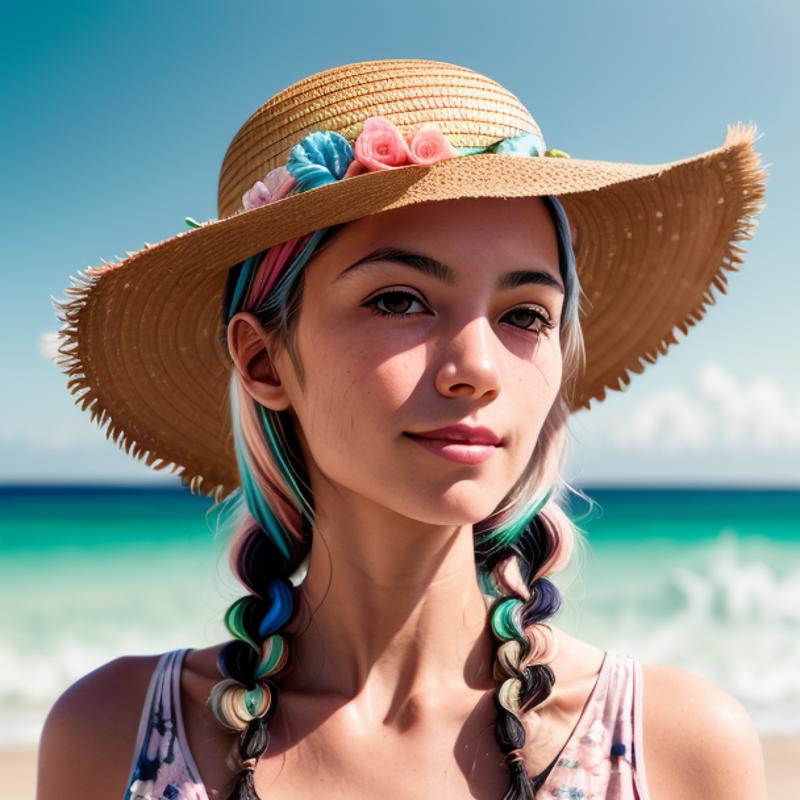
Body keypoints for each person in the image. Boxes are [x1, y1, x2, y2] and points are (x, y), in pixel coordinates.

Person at [37, 59, 769, 800]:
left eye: (524, 314)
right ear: (264, 361)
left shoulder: (678, 748)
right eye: (398, 300)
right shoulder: (111, 733)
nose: (476, 368)